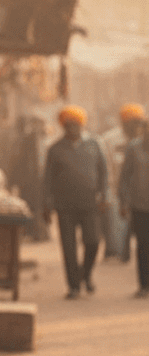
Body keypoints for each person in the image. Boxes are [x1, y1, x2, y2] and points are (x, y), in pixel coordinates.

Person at [43, 105, 108, 298]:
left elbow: (104, 173)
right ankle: (73, 286)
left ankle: (85, 274)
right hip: (65, 206)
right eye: (68, 125)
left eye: (76, 125)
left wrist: (104, 195)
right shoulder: (55, 149)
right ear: (64, 127)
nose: (72, 128)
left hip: (89, 204)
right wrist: (46, 205)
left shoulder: (95, 144)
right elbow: (47, 180)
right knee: (69, 248)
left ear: (82, 125)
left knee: (93, 242)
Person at [101, 103, 146, 259]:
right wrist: (107, 191)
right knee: (117, 225)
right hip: (116, 189)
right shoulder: (110, 139)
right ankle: (117, 251)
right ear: (123, 122)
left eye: (137, 122)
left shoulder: (143, 141)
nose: (134, 126)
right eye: (131, 122)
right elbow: (105, 167)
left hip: (141, 191)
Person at [118, 112, 149, 298]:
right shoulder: (133, 148)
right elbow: (124, 177)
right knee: (143, 245)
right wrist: (123, 201)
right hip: (139, 206)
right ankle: (144, 285)